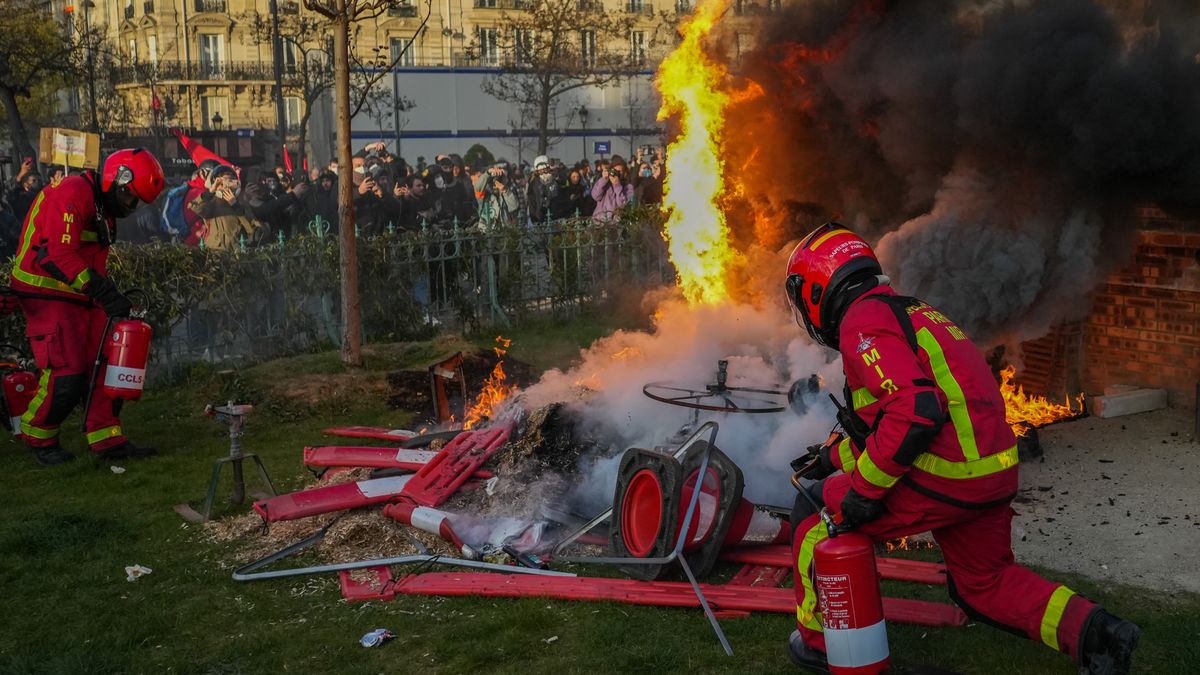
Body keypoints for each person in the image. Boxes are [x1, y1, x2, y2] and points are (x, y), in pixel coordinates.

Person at [783, 223, 1141, 675]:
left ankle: (820, 644)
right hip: (991, 474)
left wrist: (863, 493)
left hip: (947, 476)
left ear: (817, 289)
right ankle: (1100, 635)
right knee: (984, 583)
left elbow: (914, 412)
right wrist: (831, 458)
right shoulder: (910, 313)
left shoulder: (862, 321)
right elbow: (893, 426)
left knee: (814, 517)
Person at [10, 148, 165, 465]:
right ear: (116, 179)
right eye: (129, 196)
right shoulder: (73, 191)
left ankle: (106, 437)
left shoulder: (101, 205)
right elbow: (55, 255)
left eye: (135, 201)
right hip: (46, 289)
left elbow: (90, 259)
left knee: (108, 358)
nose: (130, 206)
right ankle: (38, 435)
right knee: (68, 371)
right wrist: (105, 292)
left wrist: (106, 295)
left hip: (79, 292)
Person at [188, 165, 264, 250]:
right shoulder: (211, 202)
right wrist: (210, 191)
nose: (226, 187)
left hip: (236, 253)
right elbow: (194, 207)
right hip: (214, 252)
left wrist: (236, 207)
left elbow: (253, 229)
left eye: (230, 181)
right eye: (222, 183)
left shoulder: (240, 203)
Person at [590, 155, 633, 224]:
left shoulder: (628, 187)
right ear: (611, 170)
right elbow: (595, 196)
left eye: (620, 171)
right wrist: (604, 180)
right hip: (599, 221)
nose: (617, 174)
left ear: (625, 172)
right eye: (615, 171)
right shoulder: (605, 183)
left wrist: (617, 186)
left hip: (615, 224)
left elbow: (622, 205)